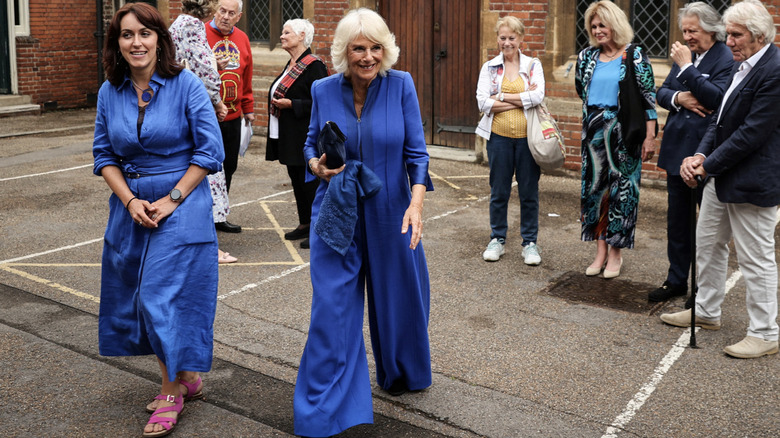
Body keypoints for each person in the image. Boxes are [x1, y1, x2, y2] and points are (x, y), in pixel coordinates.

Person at [293, 8, 434, 437]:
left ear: (385, 49)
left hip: (393, 207)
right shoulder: (321, 89)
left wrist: (416, 204)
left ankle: (402, 373)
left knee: (400, 299)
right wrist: (315, 166)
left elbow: (417, 153)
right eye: (359, 48)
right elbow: (308, 141)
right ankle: (322, 408)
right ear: (343, 51)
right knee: (332, 309)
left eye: (376, 47)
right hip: (336, 211)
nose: (368, 56)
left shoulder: (402, 85)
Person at [93, 3, 224, 436]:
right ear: (117, 43)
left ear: (159, 40)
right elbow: (104, 155)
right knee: (137, 295)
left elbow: (210, 152)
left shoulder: (185, 85)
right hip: (130, 207)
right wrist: (130, 201)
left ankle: (171, 391)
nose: (136, 43)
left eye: (145, 34)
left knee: (159, 295)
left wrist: (171, 199)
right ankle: (187, 376)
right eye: (127, 35)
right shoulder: (108, 91)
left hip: (182, 204)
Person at [660, 0, 780, 359]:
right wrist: (699, 156)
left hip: (752, 182)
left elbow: (750, 134)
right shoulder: (744, 66)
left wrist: (706, 165)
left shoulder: (774, 71)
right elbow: (719, 120)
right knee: (708, 243)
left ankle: (765, 332)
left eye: (736, 35)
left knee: (755, 258)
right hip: (720, 176)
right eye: (728, 34)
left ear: (759, 36)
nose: (729, 41)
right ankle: (706, 311)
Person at [650, 2, 733, 303]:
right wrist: (679, 97)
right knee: (678, 221)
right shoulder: (689, 55)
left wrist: (686, 69)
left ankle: (702, 289)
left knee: (707, 226)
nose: (687, 36)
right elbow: (661, 92)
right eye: (684, 30)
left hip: (705, 152)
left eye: (693, 30)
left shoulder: (726, 58)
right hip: (677, 148)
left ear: (711, 29)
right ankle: (676, 279)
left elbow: (718, 98)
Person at [575, 0, 657, 279]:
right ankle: (599, 251)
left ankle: (616, 252)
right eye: (594, 26)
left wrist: (650, 136)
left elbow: (648, 99)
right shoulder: (586, 56)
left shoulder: (633, 55)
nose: (598, 30)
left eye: (603, 25)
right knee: (596, 191)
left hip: (625, 133)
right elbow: (581, 91)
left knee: (623, 192)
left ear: (615, 24)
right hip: (593, 133)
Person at [169, 0, 238, 264]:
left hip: (181, 106)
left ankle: (195, 242)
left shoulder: (178, 23)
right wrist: (217, 100)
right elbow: (202, 68)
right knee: (208, 171)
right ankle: (210, 247)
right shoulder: (193, 25)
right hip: (195, 109)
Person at [475, 16, 545, 265]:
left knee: (528, 193)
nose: (507, 42)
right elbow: (482, 102)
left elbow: (537, 96)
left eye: (512, 38)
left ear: (521, 39)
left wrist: (502, 96)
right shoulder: (489, 67)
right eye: (502, 38)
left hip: (528, 141)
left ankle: (529, 243)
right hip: (499, 139)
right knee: (499, 192)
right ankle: (497, 239)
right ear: (498, 39)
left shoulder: (533, 65)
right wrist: (518, 99)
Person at [265, 18, 328, 250]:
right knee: (297, 181)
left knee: (310, 183)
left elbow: (322, 102)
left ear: (302, 36)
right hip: (289, 135)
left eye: (287, 32)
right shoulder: (291, 63)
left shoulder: (314, 66)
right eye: (282, 32)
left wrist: (293, 104)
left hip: (305, 136)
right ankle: (304, 223)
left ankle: (317, 229)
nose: (281, 36)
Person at [206, 0, 254, 233]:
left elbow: (246, 76)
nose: (225, 16)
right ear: (215, 11)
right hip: (206, 116)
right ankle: (203, 214)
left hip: (233, 116)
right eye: (221, 11)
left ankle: (219, 214)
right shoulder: (201, 34)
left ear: (239, 16)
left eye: (231, 13)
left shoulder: (243, 39)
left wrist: (249, 107)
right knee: (205, 166)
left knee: (229, 165)